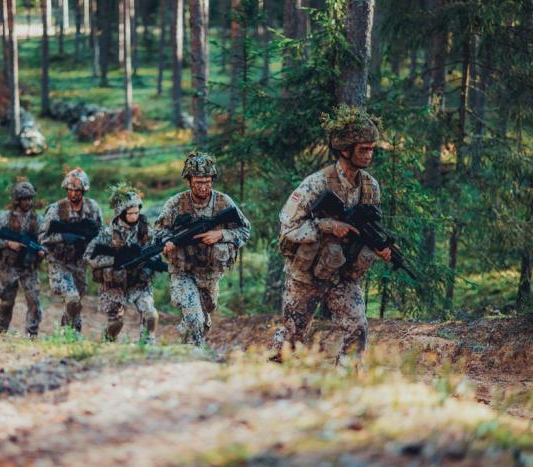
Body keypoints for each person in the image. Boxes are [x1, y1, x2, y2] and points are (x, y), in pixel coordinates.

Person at [270, 105, 391, 364]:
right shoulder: (316, 184)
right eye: (363, 149)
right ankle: (277, 382)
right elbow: (288, 228)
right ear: (345, 151)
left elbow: (370, 227)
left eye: (371, 149)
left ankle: (345, 385)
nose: (369, 154)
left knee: (358, 327)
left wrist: (380, 246)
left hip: (343, 274)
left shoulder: (370, 187)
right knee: (291, 343)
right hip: (306, 274)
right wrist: (326, 226)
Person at [155, 151, 251, 347]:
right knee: (196, 319)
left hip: (210, 274)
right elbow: (158, 231)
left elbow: (245, 230)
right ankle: (195, 355)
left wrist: (221, 235)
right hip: (182, 272)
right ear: (189, 181)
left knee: (204, 319)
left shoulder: (223, 202)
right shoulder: (175, 203)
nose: (203, 187)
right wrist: (167, 241)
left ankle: (187, 336)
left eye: (207, 181)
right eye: (198, 182)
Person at [85, 183, 159, 343]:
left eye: (136, 212)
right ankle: (108, 343)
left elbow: (156, 250)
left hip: (139, 283)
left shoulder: (146, 231)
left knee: (151, 315)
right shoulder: (107, 233)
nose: (134, 216)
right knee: (116, 324)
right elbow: (89, 256)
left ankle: (147, 346)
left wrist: (152, 262)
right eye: (130, 213)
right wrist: (115, 260)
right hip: (114, 285)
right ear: (121, 212)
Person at [40, 169, 102, 333]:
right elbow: (42, 237)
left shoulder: (93, 208)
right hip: (58, 261)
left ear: (83, 190)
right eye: (70, 190)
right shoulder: (56, 209)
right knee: (72, 298)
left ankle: (71, 331)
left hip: (79, 262)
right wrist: (63, 237)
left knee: (76, 301)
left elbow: (100, 233)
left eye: (77, 190)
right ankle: (68, 332)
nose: (73, 194)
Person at [0, 180, 46, 337]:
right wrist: (8, 243)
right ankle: (2, 329)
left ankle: (31, 333)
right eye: (24, 199)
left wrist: (42, 251)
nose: (28, 202)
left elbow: (45, 241)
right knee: (7, 301)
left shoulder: (39, 219)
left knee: (34, 301)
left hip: (29, 268)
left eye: (30, 198)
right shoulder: (4, 218)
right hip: (9, 267)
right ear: (17, 200)